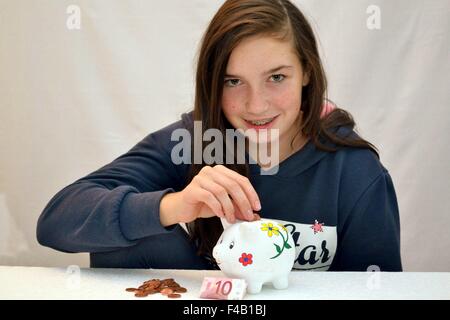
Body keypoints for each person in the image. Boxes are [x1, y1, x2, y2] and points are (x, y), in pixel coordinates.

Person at [37, 0, 402, 271]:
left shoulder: (355, 171)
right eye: (233, 81)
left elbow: (381, 289)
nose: (256, 105)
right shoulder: (193, 140)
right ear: (213, 83)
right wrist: (177, 205)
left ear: (306, 72)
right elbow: (56, 222)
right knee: (137, 233)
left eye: (276, 77)